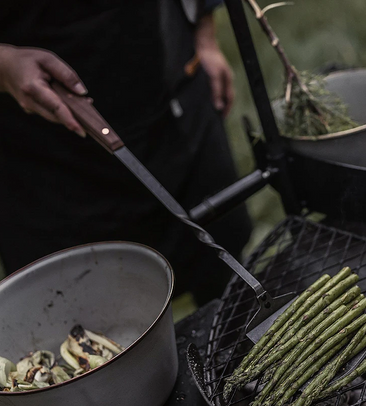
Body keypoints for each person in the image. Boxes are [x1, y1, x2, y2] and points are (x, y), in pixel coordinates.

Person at [0, 0, 252, 305]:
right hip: (47, 158)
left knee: (227, 278)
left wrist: (204, 33)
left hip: (175, 98)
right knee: (79, 316)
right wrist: (4, 65)